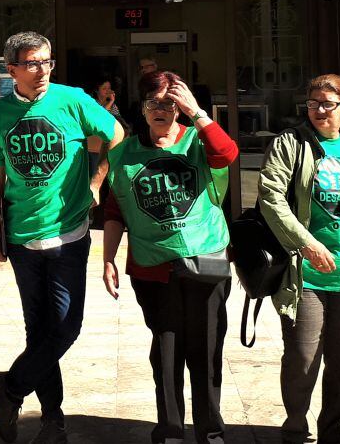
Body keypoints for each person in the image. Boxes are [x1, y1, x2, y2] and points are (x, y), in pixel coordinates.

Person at [0, 31, 124, 444]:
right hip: (23, 238)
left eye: (46, 62)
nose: (41, 70)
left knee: (65, 328)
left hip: (70, 231)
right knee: (39, 332)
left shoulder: (72, 98)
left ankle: (10, 387)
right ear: (12, 70)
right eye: (31, 63)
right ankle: (52, 419)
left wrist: (97, 179)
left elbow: (115, 137)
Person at [101, 71, 238, 444]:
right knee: (166, 348)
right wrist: (108, 258)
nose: (161, 111)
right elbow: (114, 210)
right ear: (142, 108)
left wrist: (197, 113)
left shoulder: (198, 140)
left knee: (206, 347)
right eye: (153, 103)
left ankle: (210, 430)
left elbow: (227, 154)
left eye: (169, 103)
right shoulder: (124, 153)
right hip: (152, 266)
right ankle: (171, 429)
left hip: (204, 262)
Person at [259, 74, 340, 444]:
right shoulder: (291, 144)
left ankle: (333, 432)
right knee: (302, 358)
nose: (318, 110)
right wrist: (306, 243)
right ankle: (296, 426)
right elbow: (271, 196)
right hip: (307, 274)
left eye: (327, 103)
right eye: (312, 103)